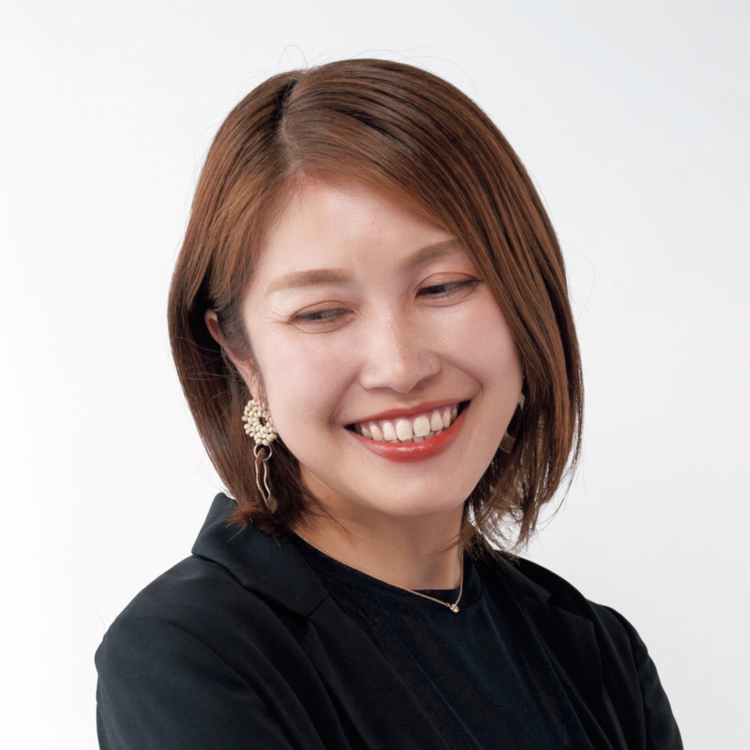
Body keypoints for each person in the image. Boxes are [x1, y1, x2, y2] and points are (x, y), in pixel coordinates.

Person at [95, 58, 683, 749]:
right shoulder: (190, 657)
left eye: (443, 287)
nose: (401, 368)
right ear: (241, 355)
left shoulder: (596, 654)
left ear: (528, 296)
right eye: (321, 313)